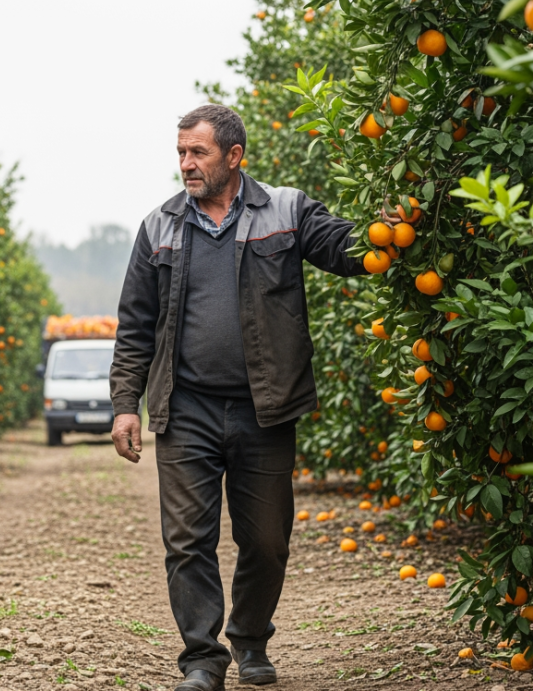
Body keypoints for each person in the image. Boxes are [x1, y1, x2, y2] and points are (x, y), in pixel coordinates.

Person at [109, 104, 367, 691]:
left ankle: (251, 639)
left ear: (234, 156)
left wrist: (391, 227)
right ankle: (201, 659)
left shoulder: (286, 209)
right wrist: (127, 403)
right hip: (187, 408)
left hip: (265, 407)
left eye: (197, 152)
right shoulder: (159, 227)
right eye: (180, 152)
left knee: (268, 538)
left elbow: (348, 252)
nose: (185, 164)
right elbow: (135, 326)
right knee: (187, 541)